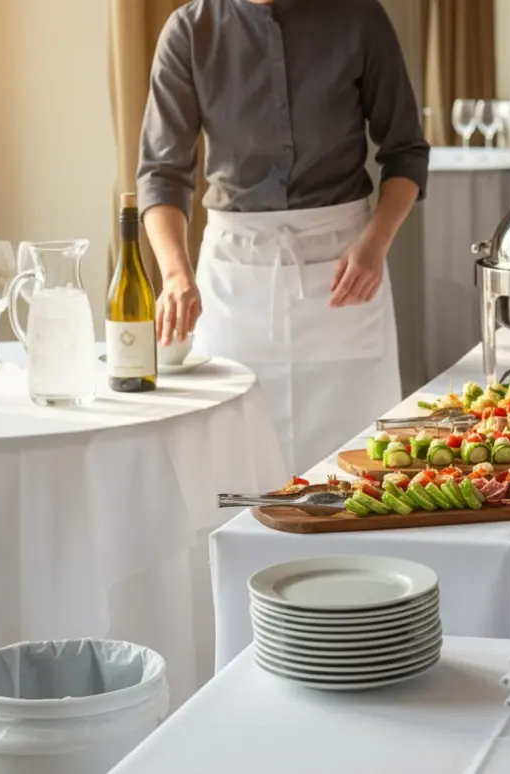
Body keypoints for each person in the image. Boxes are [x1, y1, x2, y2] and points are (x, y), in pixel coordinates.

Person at [138, 0, 428, 473]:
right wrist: (175, 274)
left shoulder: (358, 17)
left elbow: (406, 153)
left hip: (346, 268)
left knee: (359, 471)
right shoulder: (190, 31)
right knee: (234, 465)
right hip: (236, 281)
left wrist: (375, 242)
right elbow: (161, 174)